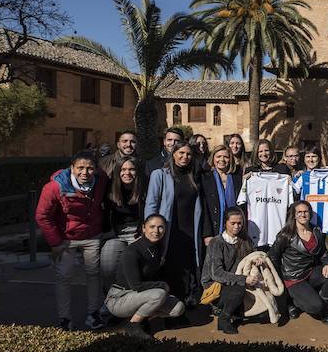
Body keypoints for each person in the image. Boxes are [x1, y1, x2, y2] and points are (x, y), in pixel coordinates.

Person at [35, 151, 109, 331]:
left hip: (92, 236)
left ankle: (93, 314)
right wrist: (55, 242)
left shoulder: (101, 182)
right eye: (80, 168)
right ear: (72, 168)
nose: (85, 172)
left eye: (90, 168)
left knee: (93, 274)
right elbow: (42, 216)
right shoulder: (54, 188)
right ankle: (65, 318)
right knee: (64, 276)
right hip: (65, 239)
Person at [145, 140, 207, 306]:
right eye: (181, 153)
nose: (185, 157)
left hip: (190, 230)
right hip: (170, 229)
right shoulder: (160, 174)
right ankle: (170, 307)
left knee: (188, 267)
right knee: (171, 269)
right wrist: (151, 230)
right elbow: (151, 203)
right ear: (173, 154)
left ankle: (184, 301)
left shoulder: (193, 176)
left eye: (188, 154)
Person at [105, 214, 186, 339]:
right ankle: (133, 325)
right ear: (143, 228)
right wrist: (162, 286)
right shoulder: (132, 251)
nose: (156, 231)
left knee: (178, 308)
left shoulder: (156, 249)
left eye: (161, 227)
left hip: (139, 295)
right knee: (159, 294)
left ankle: (143, 318)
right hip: (118, 299)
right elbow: (136, 285)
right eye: (152, 227)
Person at [270, 201, 328, 324]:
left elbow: (323, 252)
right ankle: (293, 301)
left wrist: (327, 263)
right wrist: (280, 279)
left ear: (310, 213)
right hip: (293, 278)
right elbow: (273, 256)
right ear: (294, 215)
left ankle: (324, 306)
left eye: (306, 211)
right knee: (314, 306)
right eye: (299, 212)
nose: (303, 215)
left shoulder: (316, 230)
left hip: (310, 272)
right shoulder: (285, 235)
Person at [200, 206, 257, 334]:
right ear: (225, 223)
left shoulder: (245, 240)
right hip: (216, 286)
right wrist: (243, 279)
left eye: (239, 223)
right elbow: (217, 274)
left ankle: (235, 312)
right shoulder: (216, 242)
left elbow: (251, 257)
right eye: (233, 223)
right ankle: (224, 318)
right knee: (239, 290)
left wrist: (256, 259)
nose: (236, 226)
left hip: (234, 282)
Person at [101, 156, 145, 292]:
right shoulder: (110, 189)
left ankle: (133, 299)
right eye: (123, 169)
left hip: (138, 233)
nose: (127, 173)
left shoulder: (144, 188)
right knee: (108, 267)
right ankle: (110, 299)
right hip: (116, 234)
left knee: (135, 268)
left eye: (132, 169)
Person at [201, 145, 239, 240]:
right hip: (213, 229)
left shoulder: (237, 178)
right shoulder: (205, 178)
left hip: (235, 229)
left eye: (226, 157)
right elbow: (204, 207)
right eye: (218, 156)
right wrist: (207, 234)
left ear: (230, 159)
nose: (222, 159)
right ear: (213, 158)